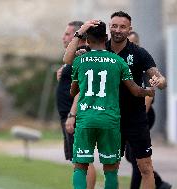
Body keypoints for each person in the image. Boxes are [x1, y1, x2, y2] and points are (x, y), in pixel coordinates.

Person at [63, 11, 169, 189]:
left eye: (122, 27)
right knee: (111, 168)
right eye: (114, 26)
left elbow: (161, 80)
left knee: (145, 168)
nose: (118, 30)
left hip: (134, 118)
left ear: (130, 29)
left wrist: (159, 81)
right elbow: (69, 62)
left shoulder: (139, 53)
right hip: (111, 118)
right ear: (109, 28)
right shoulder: (97, 50)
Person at [125, 31, 171, 189]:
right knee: (131, 156)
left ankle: (152, 183)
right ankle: (158, 182)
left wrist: (139, 120)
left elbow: (150, 94)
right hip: (129, 116)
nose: (129, 46)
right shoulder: (123, 62)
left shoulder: (142, 64)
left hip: (142, 115)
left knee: (138, 157)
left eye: (133, 42)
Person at [55, 21, 96, 188]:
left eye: (67, 34)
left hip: (76, 114)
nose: (63, 37)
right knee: (77, 159)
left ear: (78, 35)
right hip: (67, 114)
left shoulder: (82, 54)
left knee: (83, 159)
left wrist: (73, 114)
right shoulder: (73, 56)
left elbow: (83, 87)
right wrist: (63, 72)